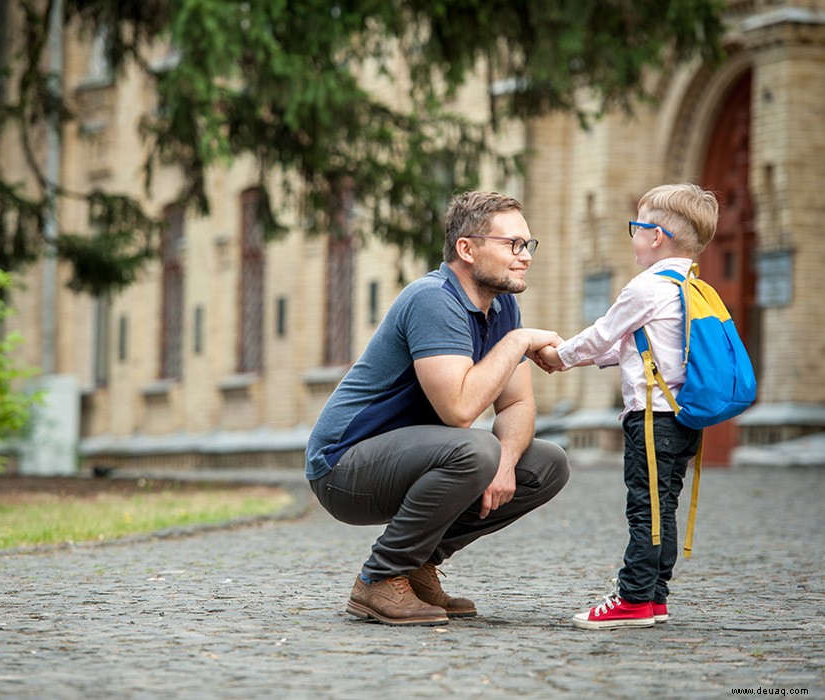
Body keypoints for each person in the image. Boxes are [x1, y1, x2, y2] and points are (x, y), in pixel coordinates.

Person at [305, 190, 571, 626]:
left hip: (412, 459)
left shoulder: (503, 305)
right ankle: (379, 578)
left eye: (528, 245)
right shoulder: (433, 299)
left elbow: (518, 403)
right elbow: (460, 410)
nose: (524, 256)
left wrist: (506, 462)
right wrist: (518, 340)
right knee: (474, 450)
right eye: (512, 244)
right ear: (466, 248)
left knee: (546, 463)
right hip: (342, 467)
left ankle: (417, 565)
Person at [537, 182, 719, 630]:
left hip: (651, 418)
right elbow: (631, 346)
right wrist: (574, 357)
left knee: (645, 508)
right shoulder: (689, 285)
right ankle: (656, 595)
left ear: (655, 236)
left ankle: (634, 597)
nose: (632, 236)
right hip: (683, 419)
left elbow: (603, 333)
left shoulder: (646, 287)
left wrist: (558, 357)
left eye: (635, 228)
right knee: (664, 506)